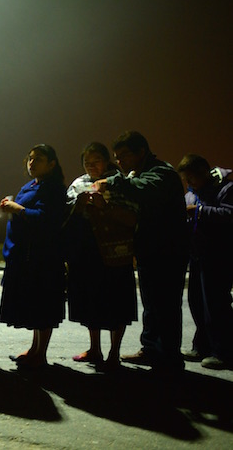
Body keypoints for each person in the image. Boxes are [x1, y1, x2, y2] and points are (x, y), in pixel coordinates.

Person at [95, 131, 188, 372]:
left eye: (124, 155)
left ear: (141, 152)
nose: (121, 161)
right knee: (152, 303)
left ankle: (169, 359)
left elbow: (144, 188)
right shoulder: (141, 173)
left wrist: (113, 181)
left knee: (166, 304)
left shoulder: (161, 173)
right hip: (150, 249)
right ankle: (150, 349)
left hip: (168, 252)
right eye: (117, 157)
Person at [64, 142, 139, 371]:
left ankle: (114, 353)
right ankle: (94, 348)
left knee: (117, 303)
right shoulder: (78, 183)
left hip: (114, 251)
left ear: (106, 161)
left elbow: (133, 215)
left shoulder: (119, 182)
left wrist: (104, 206)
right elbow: (66, 215)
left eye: (95, 160)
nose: (90, 166)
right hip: (87, 252)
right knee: (90, 301)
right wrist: (78, 206)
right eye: (86, 162)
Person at [0, 144, 66, 368]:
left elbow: (44, 218)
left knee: (43, 306)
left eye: (38, 159)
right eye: (30, 158)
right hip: (23, 255)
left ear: (52, 164)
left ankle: (41, 353)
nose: (32, 163)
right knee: (34, 306)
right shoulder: (31, 185)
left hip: (42, 256)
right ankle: (34, 349)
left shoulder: (54, 188)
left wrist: (16, 208)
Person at [177, 154, 233, 370]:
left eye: (191, 178)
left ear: (204, 174)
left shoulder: (226, 189)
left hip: (219, 255)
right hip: (198, 256)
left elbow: (229, 214)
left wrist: (198, 211)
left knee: (216, 305)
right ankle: (201, 346)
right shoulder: (192, 194)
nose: (189, 184)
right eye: (186, 180)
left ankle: (224, 352)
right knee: (197, 303)